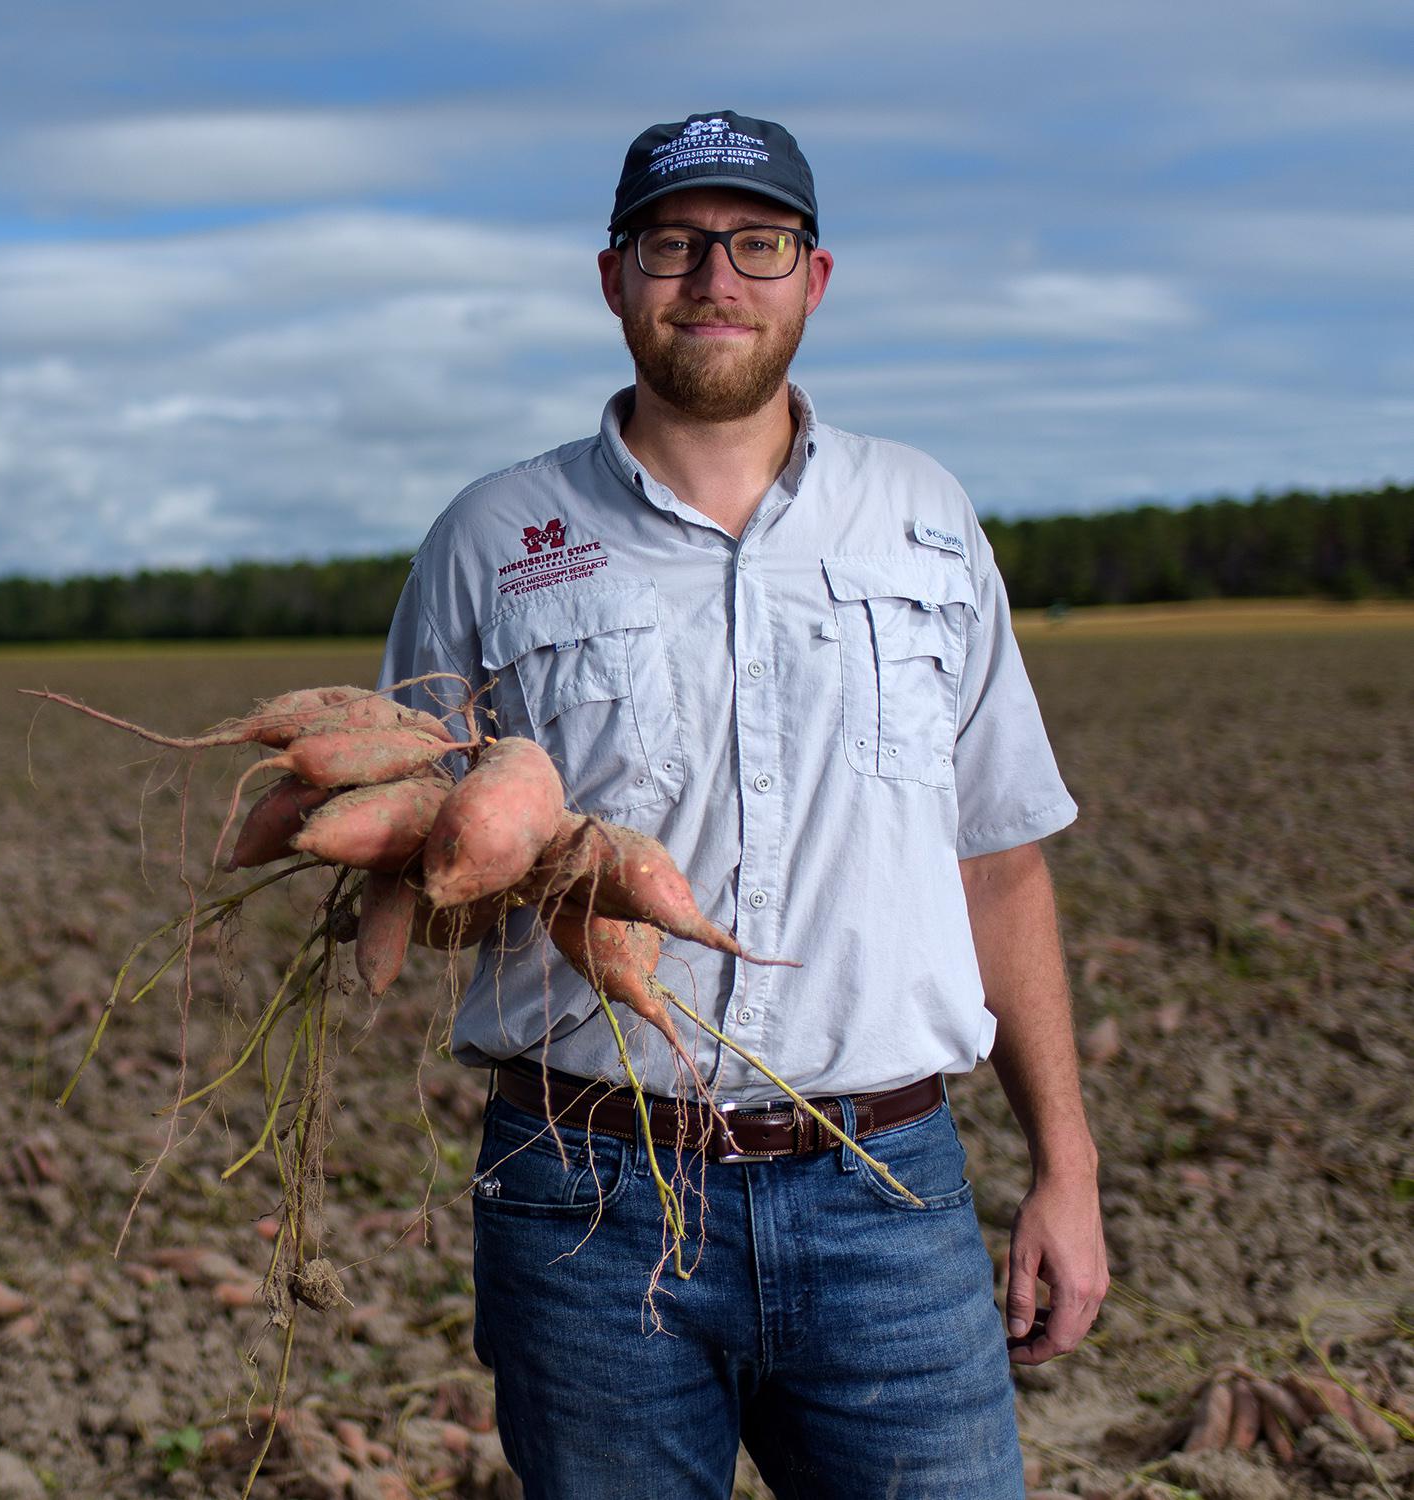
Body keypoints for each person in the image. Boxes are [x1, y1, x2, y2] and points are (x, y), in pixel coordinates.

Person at [377, 111, 1107, 1498]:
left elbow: (998, 861)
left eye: (756, 244)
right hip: (585, 1193)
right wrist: (473, 857)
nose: (715, 277)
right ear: (613, 279)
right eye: (674, 244)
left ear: (812, 280)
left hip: (885, 1191)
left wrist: (1064, 1169)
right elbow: (419, 879)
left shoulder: (927, 518)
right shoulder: (491, 540)